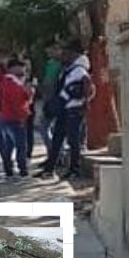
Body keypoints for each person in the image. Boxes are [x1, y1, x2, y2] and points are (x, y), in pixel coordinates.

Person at [39, 44, 93, 180]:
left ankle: (74, 170)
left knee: (73, 140)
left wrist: (62, 100)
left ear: (74, 54)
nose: (63, 56)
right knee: (57, 139)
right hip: (65, 110)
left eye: (66, 53)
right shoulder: (69, 70)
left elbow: (82, 89)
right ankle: (49, 169)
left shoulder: (79, 71)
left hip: (74, 110)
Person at [0, 58, 34, 177]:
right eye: (21, 68)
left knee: (9, 145)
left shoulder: (6, 81)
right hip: (15, 118)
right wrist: (24, 114)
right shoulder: (13, 84)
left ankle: (8, 169)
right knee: (21, 146)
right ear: (12, 69)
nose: (24, 71)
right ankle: (22, 169)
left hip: (6, 117)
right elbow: (18, 102)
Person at [36, 44, 64, 165]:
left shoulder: (62, 65)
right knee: (44, 128)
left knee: (56, 129)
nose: (50, 53)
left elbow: (51, 83)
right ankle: (54, 154)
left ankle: (57, 156)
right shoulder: (49, 64)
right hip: (48, 100)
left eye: (52, 50)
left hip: (58, 100)